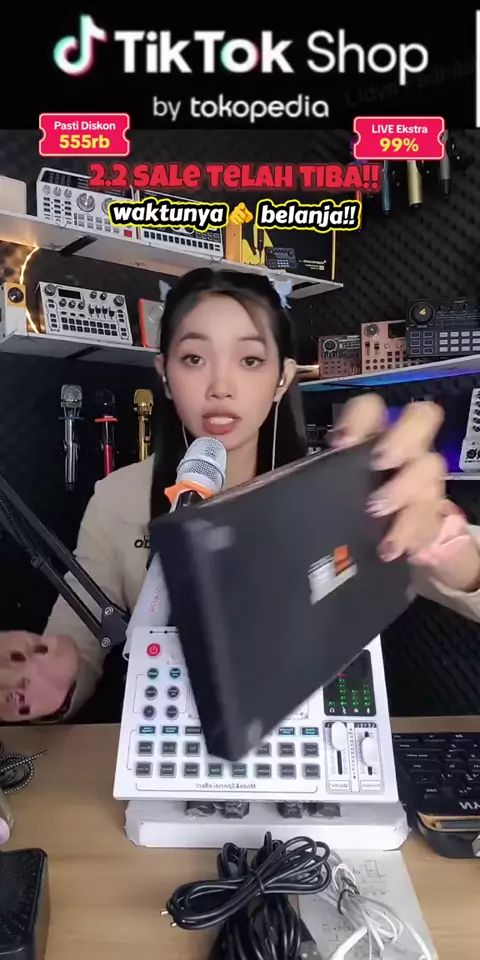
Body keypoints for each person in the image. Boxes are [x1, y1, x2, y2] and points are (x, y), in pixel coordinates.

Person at [1, 267, 480, 723]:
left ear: (282, 379)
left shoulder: (341, 487)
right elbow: (75, 643)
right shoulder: (117, 498)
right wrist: (44, 688)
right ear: (164, 374)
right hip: (169, 740)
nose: (221, 388)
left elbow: (462, 579)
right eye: (194, 359)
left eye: (250, 360)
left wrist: (449, 548)